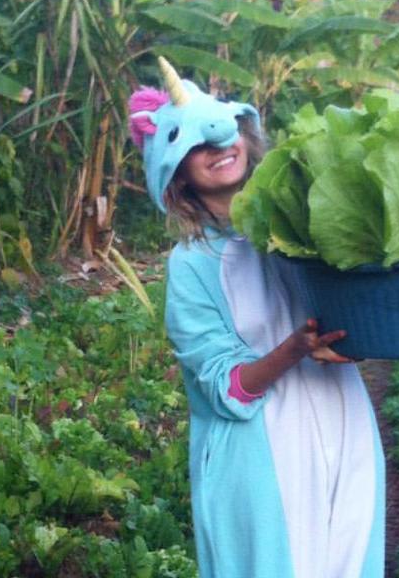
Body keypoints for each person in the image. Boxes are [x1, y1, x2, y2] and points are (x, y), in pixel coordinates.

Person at [128, 58, 385, 578]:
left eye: (225, 134)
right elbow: (226, 388)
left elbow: (358, 307)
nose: (219, 148)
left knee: (350, 560)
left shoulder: (305, 221)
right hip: (261, 451)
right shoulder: (193, 265)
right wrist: (296, 348)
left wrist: (356, 335)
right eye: (197, 146)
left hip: (345, 419)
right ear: (176, 173)